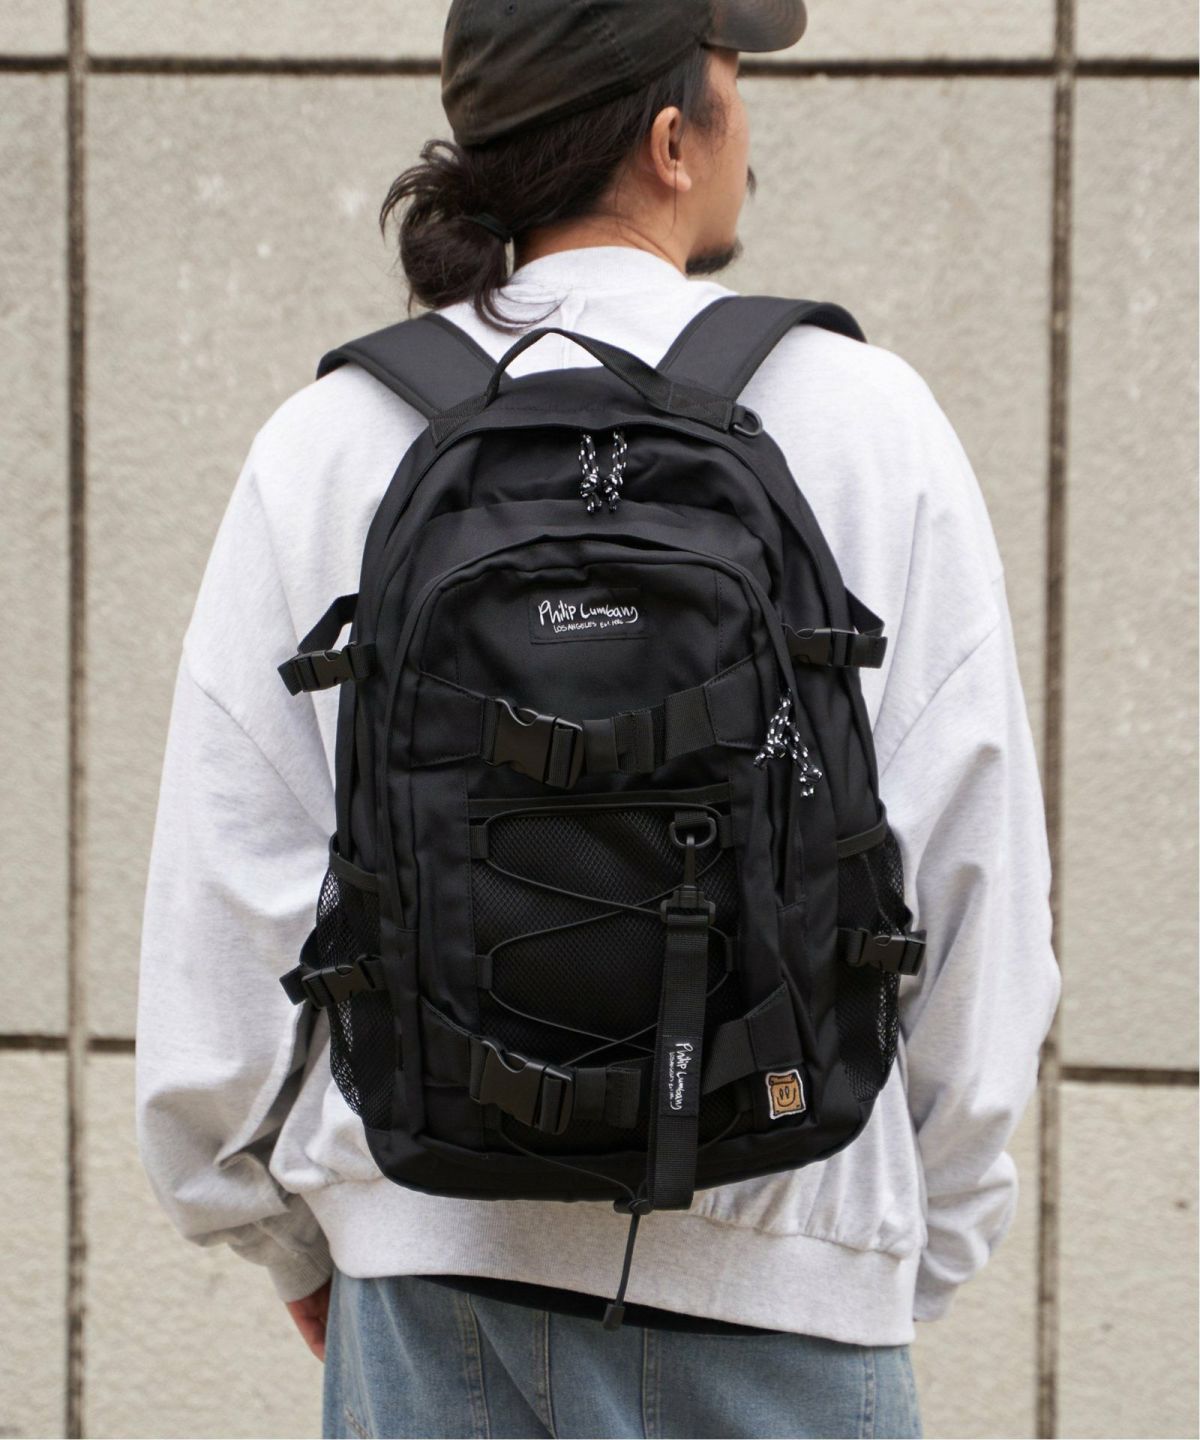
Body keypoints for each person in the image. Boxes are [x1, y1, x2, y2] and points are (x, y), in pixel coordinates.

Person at [135, 2, 1062, 1436]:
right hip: (791, 1283)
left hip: (429, 1290)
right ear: (672, 138)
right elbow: (974, 879)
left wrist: (299, 1234)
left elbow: (228, 899)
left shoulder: (328, 441)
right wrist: (899, 1249)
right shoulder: (871, 423)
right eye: (737, 82)